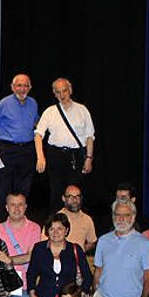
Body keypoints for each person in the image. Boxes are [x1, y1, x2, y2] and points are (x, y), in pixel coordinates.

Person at [26, 213, 93, 297]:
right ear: (47, 231)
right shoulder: (39, 248)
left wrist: (80, 296)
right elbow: (31, 274)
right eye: (51, 229)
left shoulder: (75, 249)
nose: (55, 232)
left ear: (66, 230)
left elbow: (88, 276)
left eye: (60, 228)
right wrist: (33, 296)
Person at [34, 78, 96, 210]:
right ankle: (56, 225)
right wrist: (40, 156)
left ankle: (76, 224)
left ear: (70, 90)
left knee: (75, 193)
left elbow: (89, 137)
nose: (62, 95)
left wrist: (89, 158)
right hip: (55, 156)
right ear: (54, 94)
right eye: (58, 92)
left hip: (76, 156)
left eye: (64, 91)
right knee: (56, 192)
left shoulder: (82, 110)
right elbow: (38, 134)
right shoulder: (50, 112)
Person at [0, 73, 38, 215]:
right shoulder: (4, 104)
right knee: (2, 192)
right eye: (19, 85)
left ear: (30, 87)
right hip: (6, 150)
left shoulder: (33, 103)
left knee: (24, 191)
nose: (22, 89)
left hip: (27, 151)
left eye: (25, 86)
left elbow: (37, 123)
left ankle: (20, 227)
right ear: (12, 87)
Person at [43, 184, 97, 251]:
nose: (74, 200)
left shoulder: (87, 219)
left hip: (77, 259)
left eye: (77, 196)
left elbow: (91, 242)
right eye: (70, 196)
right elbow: (43, 243)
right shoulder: (55, 218)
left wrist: (80, 252)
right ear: (63, 198)